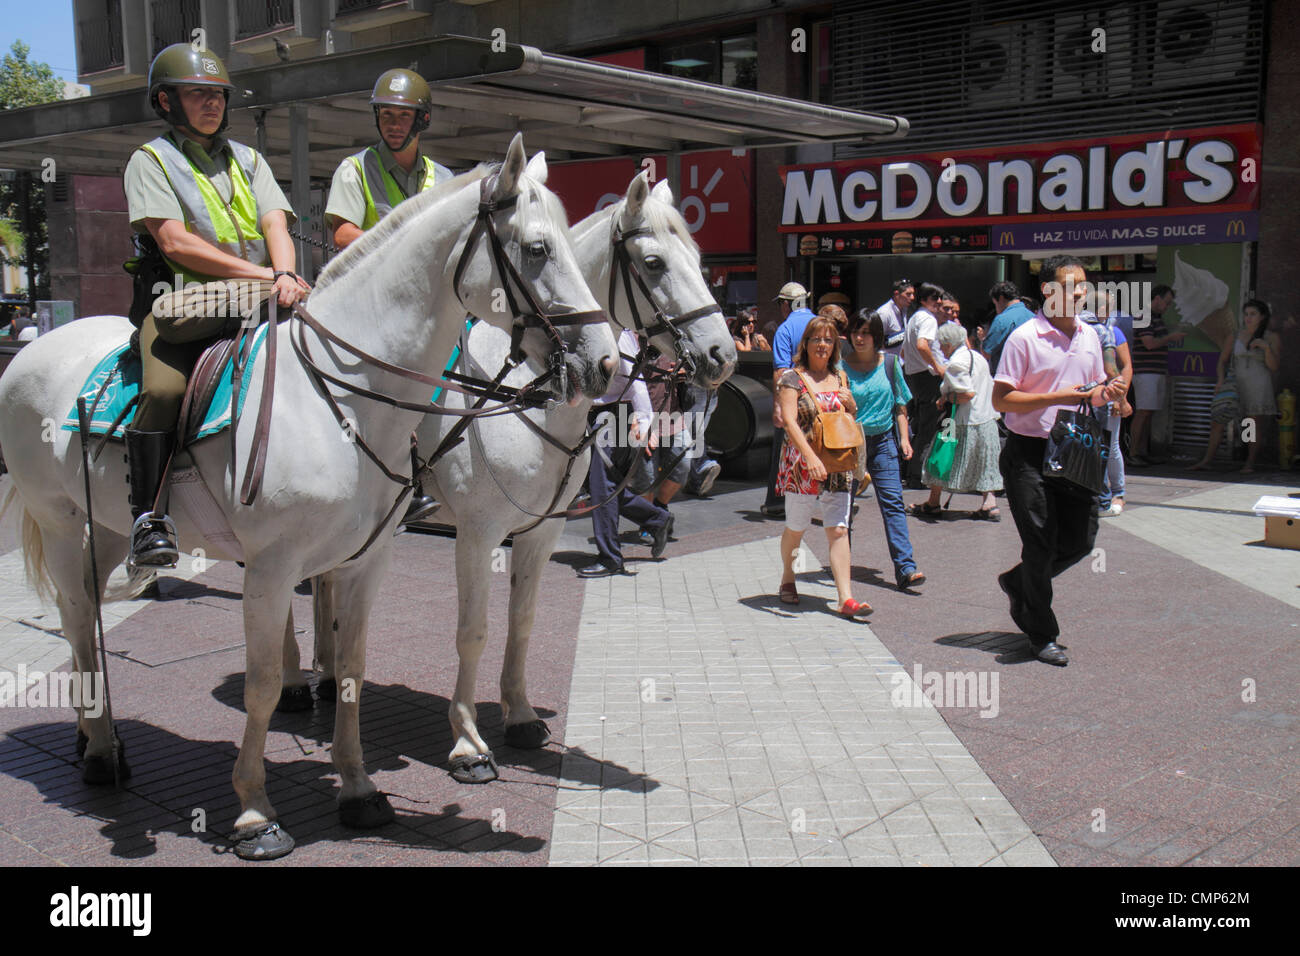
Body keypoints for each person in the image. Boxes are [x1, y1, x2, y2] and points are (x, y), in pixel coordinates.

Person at [123, 44, 307, 568]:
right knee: (163, 389)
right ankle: (148, 518)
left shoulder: (249, 159)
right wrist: (268, 276)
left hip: (262, 300)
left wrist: (287, 273)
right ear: (165, 100)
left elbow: (275, 222)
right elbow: (175, 244)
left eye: (217, 96)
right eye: (197, 94)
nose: (211, 104)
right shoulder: (151, 160)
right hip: (182, 308)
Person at [325, 68, 455, 525]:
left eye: (403, 116)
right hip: (368, 309)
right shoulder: (354, 168)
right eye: (386, 115)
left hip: (430, 310)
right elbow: (342, 232)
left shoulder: (444, 177)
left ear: (422, 121)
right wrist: (405, 250)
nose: (394, 124)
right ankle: (403, 479)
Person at [993, 255, 1125, 666]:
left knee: (1082, 539)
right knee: (1040, 543)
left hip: (1073, 450)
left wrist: (1111, 395)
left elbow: (1092, 388)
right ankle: (1041, 633)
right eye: (1071, 285)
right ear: (1049, 291)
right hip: (1028, 454)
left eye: (1083, 284)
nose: (1080, 292)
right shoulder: (1025, 337)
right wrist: (1059, 396)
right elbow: (1001, 399)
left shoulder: (1089, 335)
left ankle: (1018, 583)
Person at [775, 315, 871, 617]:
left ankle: (846, 598)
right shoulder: (791, 378)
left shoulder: (840, 377)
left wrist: (851, 404)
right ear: (806, 343)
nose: (822, 345)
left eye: (828, 340)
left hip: (838, 462)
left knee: (839, 529)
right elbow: (789, 422)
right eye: (817, 339)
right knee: (797, 526)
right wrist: (810, 458)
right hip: (802, 463)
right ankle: (789, 576)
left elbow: (845, 418)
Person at [840, 309, 924, 590]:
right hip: (850, 445)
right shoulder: (840, 367)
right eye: (855, 332)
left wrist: (904, 439)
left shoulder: (890, 363)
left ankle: (906, 567)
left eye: (865, 332)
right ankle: (842, 566)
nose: (859, 337)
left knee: (893, 503)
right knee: (844, 508)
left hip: (883, 442)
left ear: (877, 336)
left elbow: (900, 404)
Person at [579, 328, 672, 577]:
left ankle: (611, 559)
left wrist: (645, 425)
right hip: (597, 414)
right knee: (605, 485)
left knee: (601, 488)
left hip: (613, 415)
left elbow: (636, 383)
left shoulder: (615, 335)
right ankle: (656, 519)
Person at [913, 321, 1003, 519]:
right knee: (985, 462)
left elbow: (966, 394)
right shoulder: (977, 357)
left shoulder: (956, 363)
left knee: (939, 457)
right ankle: (990, 504)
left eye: (941, 345)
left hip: (959, 421)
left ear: (948, 344)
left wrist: (945, 398)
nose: (941, 349)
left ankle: (933, 502)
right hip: (986, 418)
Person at [1189, 299, 1282, 474]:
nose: (1248, 318)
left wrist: (1266, 348)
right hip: (1235, 384)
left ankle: (1249, 461)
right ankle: (1207, 460)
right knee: (1218, 419)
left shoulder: (1271, 337)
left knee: (1251, 425)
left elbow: (1275, 367)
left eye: (1253, 314)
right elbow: (1221, 361)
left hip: (1258, 384)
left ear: (1262, 317)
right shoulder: (1236, 335)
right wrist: (1220, 380)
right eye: (1246, 314)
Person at [760, 282, 816, 518]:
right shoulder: (821, 325)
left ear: (786, 304)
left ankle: (776, 502)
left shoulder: (785, 330)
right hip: (820, 397)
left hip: (794, 399)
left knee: (783, 450)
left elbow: (781, 372)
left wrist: (777, 407)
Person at [1085, 294, 1132, 516]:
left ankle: (1113, 495)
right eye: (1110, 307)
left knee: (1103, 446)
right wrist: (1119, 399)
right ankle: (1104, 497)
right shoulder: (1102, 330)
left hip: (1094, 397)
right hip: (1099, 396)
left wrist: (1118, 399)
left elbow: (1125, 367)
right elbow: (1114, 369)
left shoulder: (1080, 326)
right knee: (1101, 446)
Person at [1129, 284, 1185, 466]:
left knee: (1149, 413)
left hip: (1155, 371)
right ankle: (1134, 452)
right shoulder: (1144, 316)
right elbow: (1149, 344)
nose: (1167, 307)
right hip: (1146, 372)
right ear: (1157, 298)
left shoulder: (1155, 318)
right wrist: (1171, 338)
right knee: (1143, 412)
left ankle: (1143, 451)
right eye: (1166, 303)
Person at [902, 282, 948, 488]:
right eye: (933, 297)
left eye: (939, 297)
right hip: (928, 378)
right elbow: (922, 345)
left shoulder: (914, 319)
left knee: (920, 424)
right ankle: (917, 475)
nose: (938, 301)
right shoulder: (928, 319)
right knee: (930, 427)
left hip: (914, 376)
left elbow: (904, 351)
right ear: (923, 300)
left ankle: (912, 471)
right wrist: (937, 365)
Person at [982, 281, 1035, 374]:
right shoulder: (1034, 317)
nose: (996, 308)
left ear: (1001, 298)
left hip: (1007, 377)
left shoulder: (1002, 319)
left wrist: (983, 338)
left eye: (995, 304)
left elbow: (986, 353)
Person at [874, 278, 913, 356]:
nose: (912, 297)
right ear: (896, 294)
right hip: (886, 361)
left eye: (913, 294)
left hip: (901, 361)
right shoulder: (884, 313)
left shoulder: (904, 310)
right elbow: (875, 341)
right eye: (908, 294)